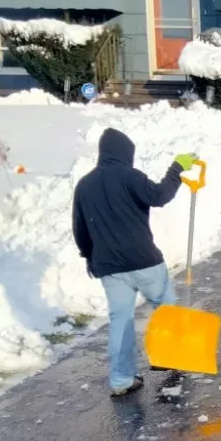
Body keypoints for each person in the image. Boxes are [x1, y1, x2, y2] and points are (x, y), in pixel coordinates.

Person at [72, 127, 197, 397]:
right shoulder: (130, 176)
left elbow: (80, 229)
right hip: (144, 261)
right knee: (166, 310)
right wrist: (177, 168)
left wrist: (89, 256)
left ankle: (121, 380)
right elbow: (160, 196)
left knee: (121, 321)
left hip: (110, 268)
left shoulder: (84, 184)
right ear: (126, 154)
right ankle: (170, 357)